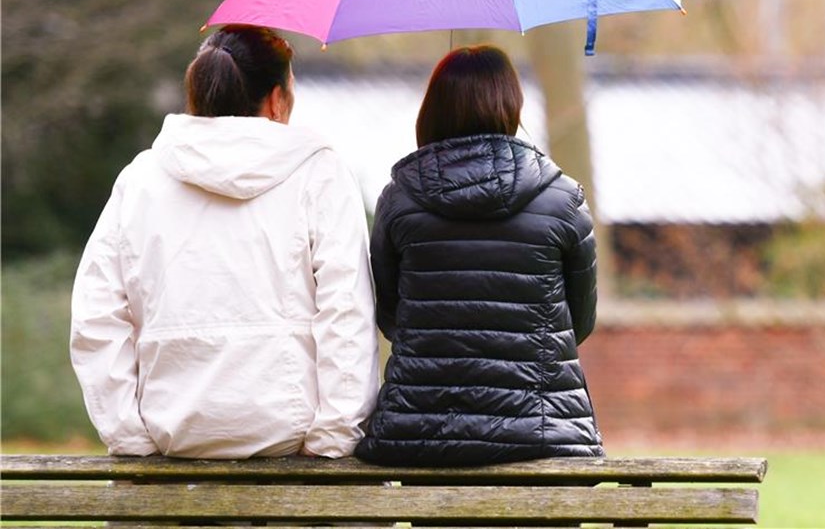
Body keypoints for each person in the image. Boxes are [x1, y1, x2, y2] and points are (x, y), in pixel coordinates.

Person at [70, 25, 378, 458]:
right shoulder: (320, 175)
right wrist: (333, 438)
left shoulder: (140, 179)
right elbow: (347, 312)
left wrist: (130, 435)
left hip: (171, 437)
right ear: (275, 100)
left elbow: (96, 316)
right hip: (292, 443)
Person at [354, 45, 602, 466]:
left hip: (420, 436)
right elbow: (578, 322)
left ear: (433, 111)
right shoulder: (563, 199)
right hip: (544, 436)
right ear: (512, 106)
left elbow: (390, 315)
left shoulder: (399, 201)